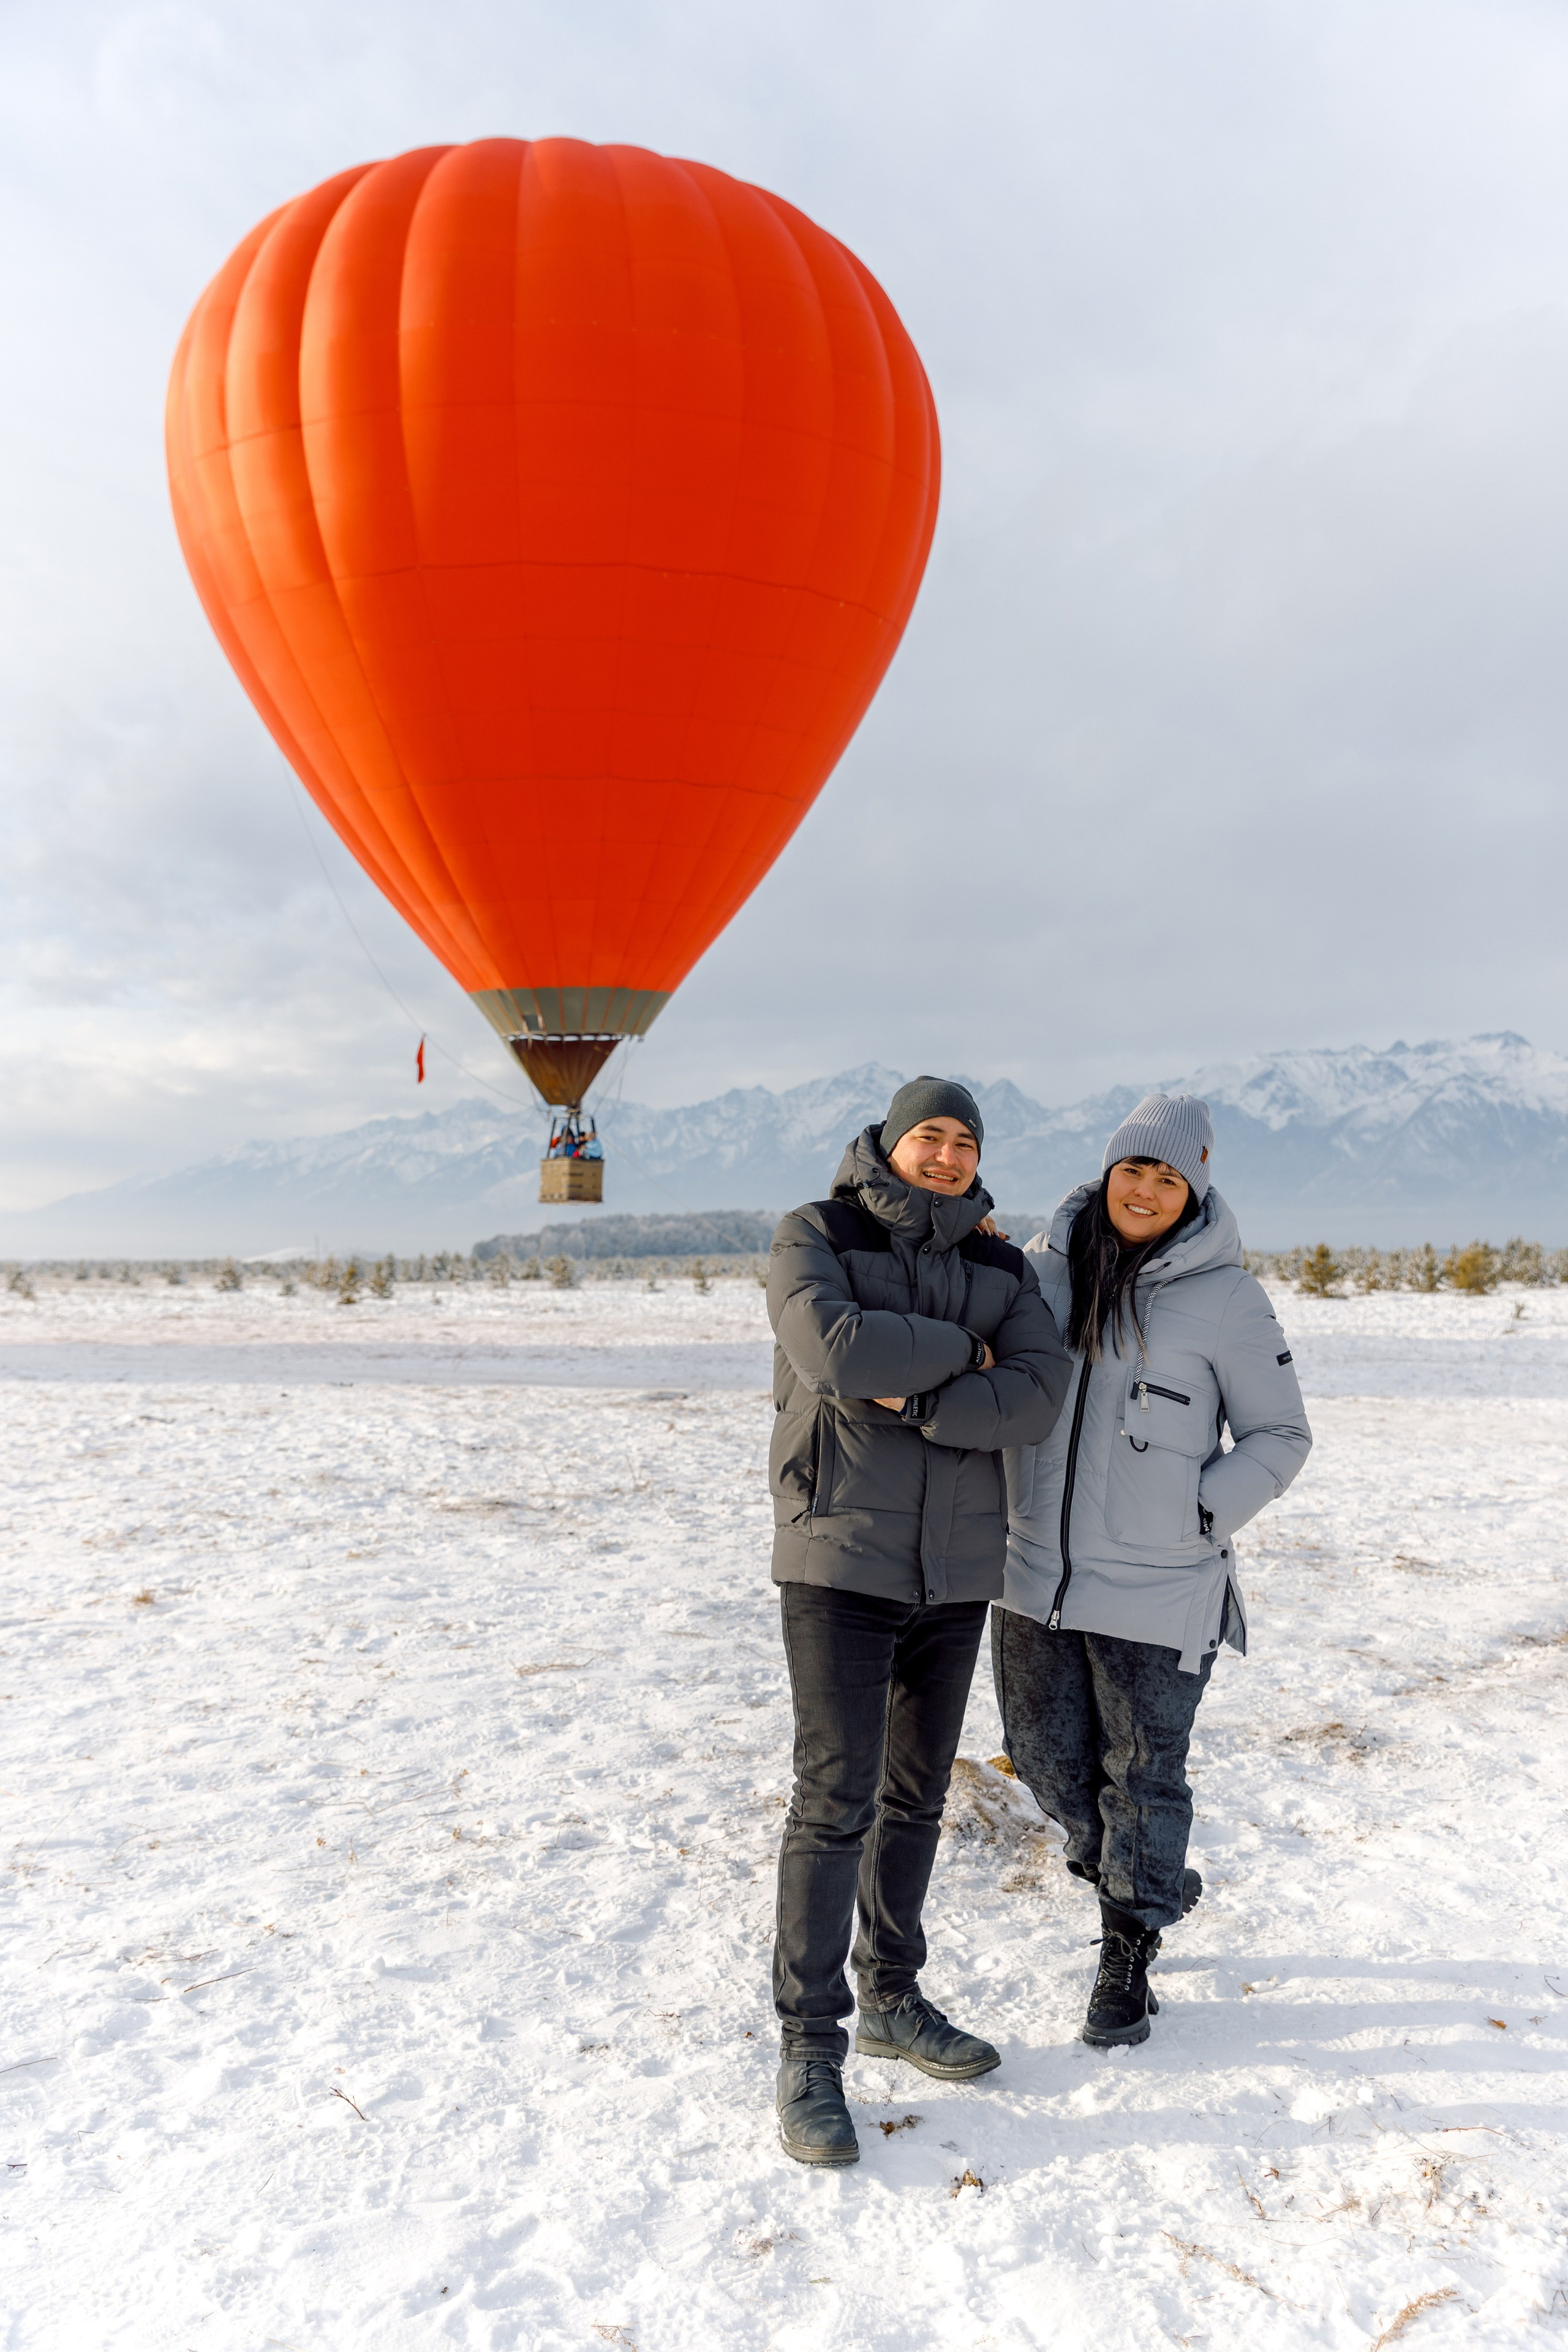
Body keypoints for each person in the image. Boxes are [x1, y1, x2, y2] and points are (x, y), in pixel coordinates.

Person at [766, 1077, 1072, 2166]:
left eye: (965, 1141)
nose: (946, 1155)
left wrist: (931, 1391)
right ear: (891, 1145)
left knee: (916, 1796)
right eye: (928, 1137)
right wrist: (968, 1354)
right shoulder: (819, 1231)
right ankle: (811, 2049)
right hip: (840, 1553)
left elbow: (1041, 1390)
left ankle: (891, 1995)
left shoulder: (1001, 1263)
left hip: (955, 1569)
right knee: (834, 1798)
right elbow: (836, 1354)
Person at [993, 1093, 1312, 2049]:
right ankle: (1149, 1873)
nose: (1146, 1188)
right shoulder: (1037, 1274)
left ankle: (1127, 1946)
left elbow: (1280, 1434)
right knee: (1050, 1767)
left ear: (1194, 1190)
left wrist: (1199, 1514)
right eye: (1134, 1168)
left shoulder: (1228, 1299)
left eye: (1169, 1176)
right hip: (1031, 1574)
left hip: (1163, 1587)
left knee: (1144, 1774)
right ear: (1107, 1171)